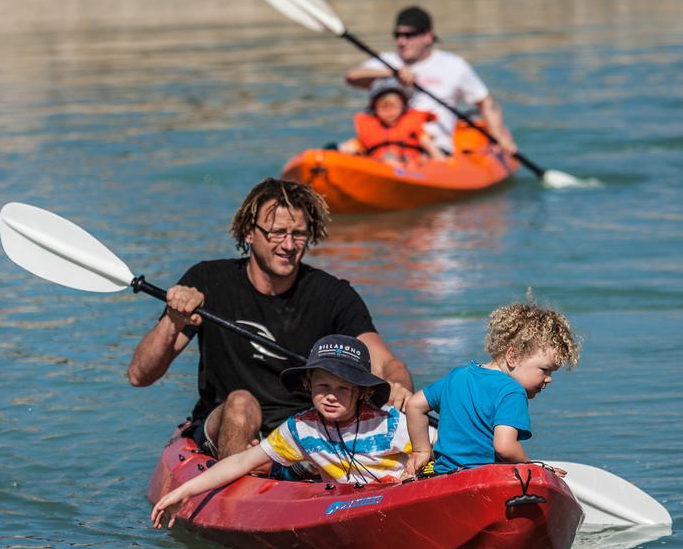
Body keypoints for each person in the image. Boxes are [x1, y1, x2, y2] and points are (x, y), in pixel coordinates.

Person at [127, 178, 413, 460]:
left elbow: (386, 363)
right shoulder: (208, 280)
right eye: (277, 232)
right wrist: (174, 320)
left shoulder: (333, 294)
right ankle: (236, 490)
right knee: (241, 404)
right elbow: (140, 375)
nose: (288, 245)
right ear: (248, 232)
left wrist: (399, 388)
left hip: (302, 431)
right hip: (225, 423)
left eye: (298, 234)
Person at [151, 335, 413, 528]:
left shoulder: (390, 423)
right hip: (355, 508)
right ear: (308, 384)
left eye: (343, 389)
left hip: (402, 498)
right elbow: (243, 461)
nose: (331, 396)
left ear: (363, 392)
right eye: (323, 386)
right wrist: (185, 490)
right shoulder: (301, 429)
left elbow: (440, 446)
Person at [403, 300, 581, 478]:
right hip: (485, 481)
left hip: (443, 478)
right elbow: (505, 447)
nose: (549, 379)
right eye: (545, 370)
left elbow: (414, 405)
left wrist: (421, 451)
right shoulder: (512, 391)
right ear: (513, 356)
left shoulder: (457, 376)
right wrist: (534, 468)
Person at [345, 6, 517, 157]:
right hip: (384, 144)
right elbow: (352, 77)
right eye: (397, 35)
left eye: (408, 35)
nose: (401, 41)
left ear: (428, 36)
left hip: (432, 148)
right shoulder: (387, 61)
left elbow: (485, 102)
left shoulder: (453, 65)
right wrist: (391, 73)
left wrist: (499, 138)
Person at [338, 78, 445, 163]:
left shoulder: (415, 127)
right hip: (379, 166)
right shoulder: (369, 126)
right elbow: (356, 145)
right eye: (383, 107)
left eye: (394, 106)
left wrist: (439, 159)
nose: (389, 112)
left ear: (403, 107)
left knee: (400, 158)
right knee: (346, 148)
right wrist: (346, 149)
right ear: (375, 109)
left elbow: (429, 146)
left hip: (412, 166)